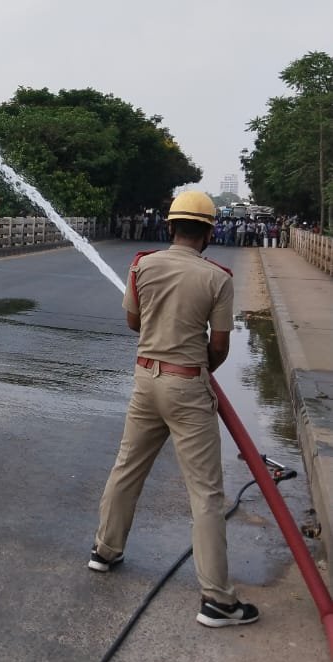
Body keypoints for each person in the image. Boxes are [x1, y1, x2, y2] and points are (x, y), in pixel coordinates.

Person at [88, 190, 259, 627]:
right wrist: (199, 367)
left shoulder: (142, 264)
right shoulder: (218, 278)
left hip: (146, 378)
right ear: (208, 232)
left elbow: (133, 322)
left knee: (127, 467)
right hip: (187, 385)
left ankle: (105, 551)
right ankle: (218, 600)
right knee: (205, 492)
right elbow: (218, 346)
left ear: (169, 227)